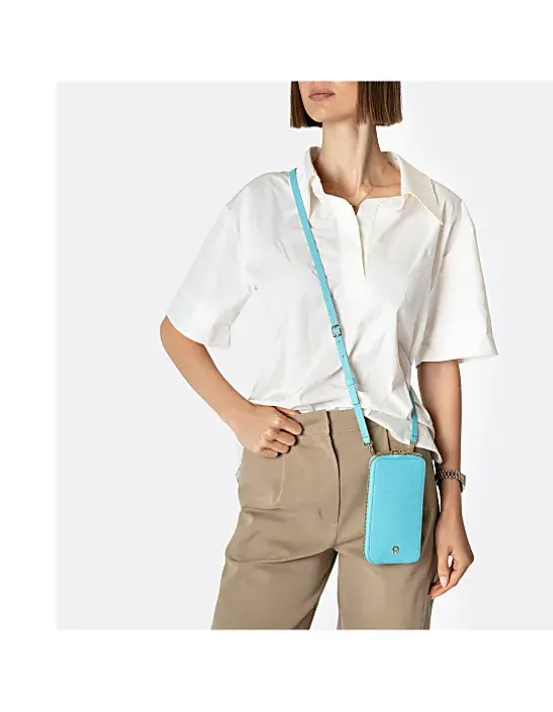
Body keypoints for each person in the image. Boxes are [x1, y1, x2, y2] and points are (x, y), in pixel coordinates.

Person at [159, 81, 497, 629]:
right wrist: (239, 415)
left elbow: (440, 363)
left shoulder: (436, 211)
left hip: (395, 469)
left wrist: (451, 501)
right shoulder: (263, 203)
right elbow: (180, 332)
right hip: (287, 459)